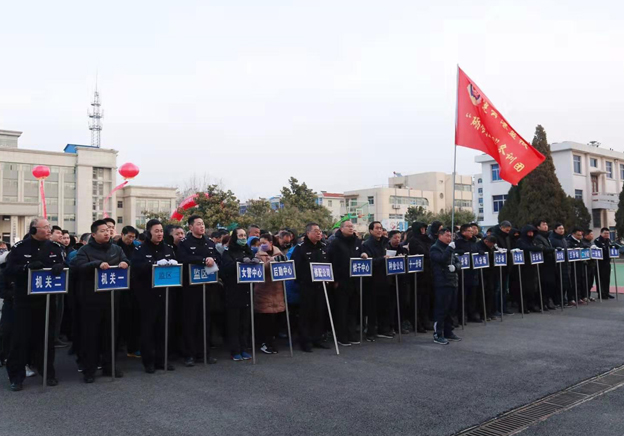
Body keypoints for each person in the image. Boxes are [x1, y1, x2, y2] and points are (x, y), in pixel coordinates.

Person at [4, 218, 66, 391]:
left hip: (46, 301)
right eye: (45, 227)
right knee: (20, 339)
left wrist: (61, 267)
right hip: (24, 301)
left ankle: (48, 372)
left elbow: (66, 267)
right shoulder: (20, 248)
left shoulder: (55, 248)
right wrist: (26, 268)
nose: (48, 230)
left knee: (46, 338)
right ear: (33, 230)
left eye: (49, 227)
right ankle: (16, 377)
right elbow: (9, 270)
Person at [70, 220, 129, 382]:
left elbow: (126, 260)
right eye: (102, 231)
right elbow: (78, 267)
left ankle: (109, 365)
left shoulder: (116, 249)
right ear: (94, 234)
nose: (106, 233)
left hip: (112, 299)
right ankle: (89, 369)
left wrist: (125, 263)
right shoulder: (84, 250)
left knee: (110, 334)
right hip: (91, 300)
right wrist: (96, 264)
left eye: (108, 230)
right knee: (91, 336)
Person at [132, 219, 177, 373]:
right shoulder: (141, 250)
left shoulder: (168, 249)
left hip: (165, 294)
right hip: (147, 296)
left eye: (161, 231)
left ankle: (162, 360)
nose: (159, 234)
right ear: (149, 232)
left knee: (164, 328)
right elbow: (137, 269)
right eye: (156, 231)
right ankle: (148, 362)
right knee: (148, 330)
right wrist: (155, 265)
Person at [176, 215, 220, 366]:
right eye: (198, 224)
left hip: (207, 286)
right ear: (190, 227)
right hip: (190, 288)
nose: (202, 226)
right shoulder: (185, 243)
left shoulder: (209, 242)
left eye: (203, 224)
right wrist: (202, 261)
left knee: (205, 321)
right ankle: (189, 354)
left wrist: (212, 259)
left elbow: (217, 257)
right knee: (190, 321)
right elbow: (182, 258)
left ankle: (204, 353)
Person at [291, 223, 331, 352]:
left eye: (320, 231)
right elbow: (295, 267)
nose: (319, 233)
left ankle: (317, 338)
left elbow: (329, 264)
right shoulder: (300, 249)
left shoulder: (324, 248)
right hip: (307, 286)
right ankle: (305, 341)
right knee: (306, 314)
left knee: (319, 312)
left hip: (321, 286)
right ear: (308, 233)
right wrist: (303, 280)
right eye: (315, 231)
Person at [327, 220, 367, 346]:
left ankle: (352, 334)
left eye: (352, 226)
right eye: (348, 226)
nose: (351, 228)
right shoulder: (335, 243)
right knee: (341, 309)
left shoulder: (357, 241)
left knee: (353, 309)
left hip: (355, 281)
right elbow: (331, 262)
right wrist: (334, 280)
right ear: (341, 228)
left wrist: (363, 254)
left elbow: (360, 253)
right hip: (341, 281)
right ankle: (342, 335)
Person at [221, 228, 255, 361]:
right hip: (233, 291)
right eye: (240, 235)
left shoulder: (248, 250)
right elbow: (225, 269)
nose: (243, 237)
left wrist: (254, 261)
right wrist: (239, 262)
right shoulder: (228, 252)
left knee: (245, 323)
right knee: (234, 323)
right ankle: (235, 350)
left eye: (244, 235)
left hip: (247, 291)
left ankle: (244, 348)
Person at [254, 234, 287, 354]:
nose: (262, 245)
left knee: (276, 319)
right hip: (263, 291)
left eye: (264, 242)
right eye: (260, 243)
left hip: (277, 291)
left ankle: (272, 341)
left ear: (271, 243)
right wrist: (270, 262)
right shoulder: (258, 255)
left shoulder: (280, 254)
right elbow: (260, 270)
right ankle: (265, 343)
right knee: (265, 320)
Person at [429, 228, 462, 345]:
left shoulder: (451, 248)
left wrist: (456, 267)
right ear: (440, 236)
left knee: (451, 309)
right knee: (441, 309)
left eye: (451, 236)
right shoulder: (435, 248)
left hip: (453, 281)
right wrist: (449, 249)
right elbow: (441, 259)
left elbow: (458, 262)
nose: (449, 238)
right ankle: (438, 334)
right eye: (447, 236)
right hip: (442, 282)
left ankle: (449, 331)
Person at [362, 221, 393, 341]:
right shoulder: (367, 244)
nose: (379, 230)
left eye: (381, 228)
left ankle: (383, 329)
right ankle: (370, 331)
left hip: (386, 278)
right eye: (377, 228)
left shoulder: (385, 243)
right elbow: (369, 262)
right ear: (370, 231)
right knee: (372, 307)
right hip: (372, 280)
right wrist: (382, 259)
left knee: (384, 306)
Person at [117, 226, 141, 358]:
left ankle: (132, 346)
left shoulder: (136, 248)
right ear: (122, 234)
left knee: (133, 318)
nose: (131, 240)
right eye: (129, 237)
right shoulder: (115, 247)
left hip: (133, 286)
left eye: (133, 237)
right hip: (119, 287)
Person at [408, 222, 434, 333]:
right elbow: (423, 253)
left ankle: (426, 320)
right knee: (417, 300)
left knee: (426, 299)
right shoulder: (414, 240)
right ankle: (417, 323)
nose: (424, 231)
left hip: (428, 273)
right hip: (418, 275)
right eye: (422, 229)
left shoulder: (427, 240)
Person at [455, 224, 480, 323]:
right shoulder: (458, 242)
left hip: (473, 272)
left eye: (472, 230)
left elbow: (476, 250)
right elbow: (454, 252)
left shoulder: (474, 242)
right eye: (469, 230)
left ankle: (472, 314)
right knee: (462, 296)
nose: (472, 232)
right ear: (463, 232)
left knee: (472, 295)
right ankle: (461, 316)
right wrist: (459, 251)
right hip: (463, 273)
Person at [387, 230, 409, 334]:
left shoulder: (403, 250)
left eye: (399, 238)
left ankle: (399, 325)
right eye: (395, 237)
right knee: (391, 305)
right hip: (390, 282)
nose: (397, 240)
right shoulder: (386, 249)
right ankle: (390, 326)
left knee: (402, 304)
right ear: (390, 238)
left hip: (402, 281)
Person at [533, 220, 556, 310]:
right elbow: (541, 248)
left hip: (550, 263)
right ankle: (543, 302)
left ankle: (547, 301)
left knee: (550, 284)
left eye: (546, 224)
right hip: (543, 264)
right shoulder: (538, 237)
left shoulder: (547, 237)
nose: (546, 226)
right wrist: (551, 249)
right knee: (543, 283)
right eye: (543, 224)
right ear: (538, 227)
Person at [492, 221, 513, 316]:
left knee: (505, 288)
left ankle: (503, 307)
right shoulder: (495, 236)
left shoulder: (507, 236)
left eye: (509, 230)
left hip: (506, 265)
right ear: (501, 227)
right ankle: (495, 308)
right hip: (497, 266)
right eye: (506, 229)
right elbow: (495, 248)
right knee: (497, 288)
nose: (508, 231)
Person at [549, 223, 571, 307]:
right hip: (557, 265)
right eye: (560, 229)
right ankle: (558, 300)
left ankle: (563, 299)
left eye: (562, 228)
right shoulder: (552, 239)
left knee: (565, 282)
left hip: (565, 263)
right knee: (558, 283)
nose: (562, 230)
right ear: (555, 230)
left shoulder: (563, 239)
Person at [566, 227, 584, 307]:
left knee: (579, 280)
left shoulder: (580, 241)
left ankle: (578, 297)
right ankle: (571, 298)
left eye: (581, 233)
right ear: (573, 234)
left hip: (580, 263)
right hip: (572, 265)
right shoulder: (569, 241)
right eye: (578, 233)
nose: (580, 235)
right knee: (572, 281)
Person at [594, 227, 614, 299]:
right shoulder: (597, 241)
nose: (606, 235)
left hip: (607, 262)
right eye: (605, 233)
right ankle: (601, 293)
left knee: (607, 278)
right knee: (600, 278)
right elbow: (602, 250)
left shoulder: (608, 240)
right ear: (601, 233)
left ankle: (606, 292)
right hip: (600, 262)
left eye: (608, 233)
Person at [582, 229, 596, 303]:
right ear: (586, 235)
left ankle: (588, 295)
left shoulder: (591, 243)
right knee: (586, 280)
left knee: (590, 280)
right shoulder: (583, 242)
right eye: (591, 234)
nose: (592, 236)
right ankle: (584, 295)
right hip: (586, 264)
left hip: (592, 264)